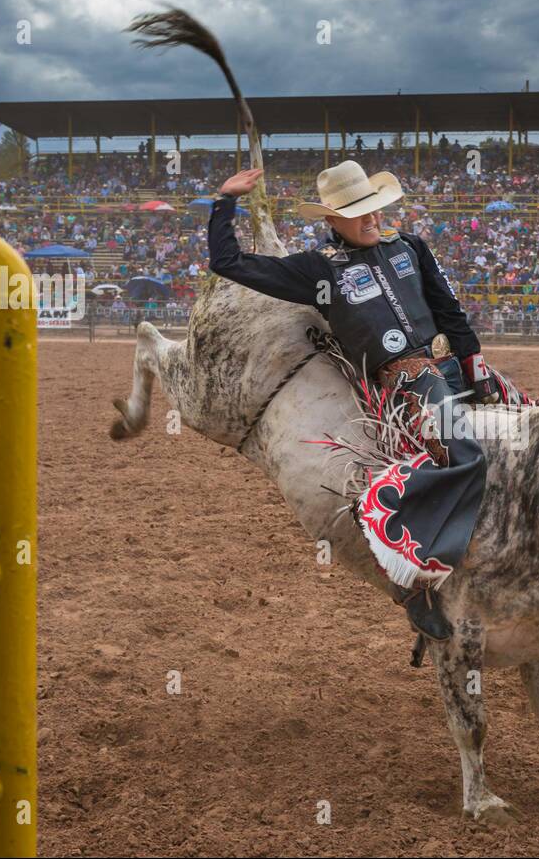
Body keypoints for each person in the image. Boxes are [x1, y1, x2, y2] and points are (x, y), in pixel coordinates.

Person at [208, 160, 512, 642]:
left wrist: (475, 363)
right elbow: (229, 263)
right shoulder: (318, 269)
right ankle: (419, 579)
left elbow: (448, 310)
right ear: (332, 220)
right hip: (403, 383)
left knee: (527, 435)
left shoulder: (409, 247)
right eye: (359, 213)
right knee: (466, 452)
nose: (373, 219)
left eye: (375, 209)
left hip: (450, 365)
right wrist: (225, 202)